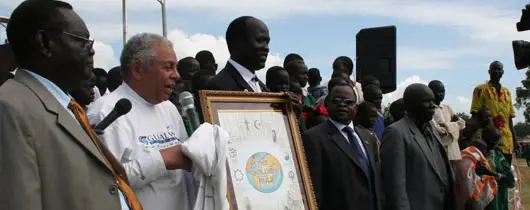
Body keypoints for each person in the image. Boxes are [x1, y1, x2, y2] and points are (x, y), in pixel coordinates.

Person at [0, 1, 141, 209]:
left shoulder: (67, 105)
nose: (91, 51)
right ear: (45, 43)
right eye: (83, 41)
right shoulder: (9, 107)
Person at [87, 33, 193, 210]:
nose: (177, 75)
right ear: (137, 69)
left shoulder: (169, 108)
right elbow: (102, 183)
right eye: (168, 67)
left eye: (176, 67)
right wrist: (160, 161)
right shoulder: (105, 112)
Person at [303, 84, 383, 210]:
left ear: (356, 108)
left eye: (348, 102)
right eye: (336, 100)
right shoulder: (313, 138)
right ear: (327, 104)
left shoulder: (367, 137)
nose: (342, 105)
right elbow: (314, 188)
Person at [382, 83, 455, 210]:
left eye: (433, 101)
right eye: (427, 101)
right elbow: (395, 186)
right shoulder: (396, 133)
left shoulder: (431, 129)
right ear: (411, 105)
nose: (432, 105)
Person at [470, 61, 517, 164]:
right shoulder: (480, 90)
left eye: (499, 69)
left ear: (502, 72)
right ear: (489, 71)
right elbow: (475, 115)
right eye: (493, 69)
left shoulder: (507, 92)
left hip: (506, 141)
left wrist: (515, 140)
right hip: (488, 140)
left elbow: (509, 118)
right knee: (490, 171)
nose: (496, 71)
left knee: (506, 172)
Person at [207, 16, 269, 92]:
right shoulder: (218, 87)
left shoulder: (263, 88)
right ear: (238, 42)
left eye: (267, 42)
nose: (266, 48)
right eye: (260, 40)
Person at [429, 80, 466, 162]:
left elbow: (462, 124)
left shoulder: (447, 108)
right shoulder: (429, 110)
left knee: (452, 173)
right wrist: (453, 126)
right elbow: (438, 130)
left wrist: (445, 125)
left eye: (443, 92)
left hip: (452, 151)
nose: (441, 94)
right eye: (438, 92)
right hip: (439, 150)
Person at [454, 139, 497, 210]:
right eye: (484, 150)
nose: (485, 153)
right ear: (479, 150)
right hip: (471, 202)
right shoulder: (472, 160)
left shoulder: (462, 157)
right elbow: (468, 187)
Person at [482, 126, 515, 210]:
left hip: (499, 202)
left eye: (495, 141)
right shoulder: (475, 156)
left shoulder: (498, 156)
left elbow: (511, 181)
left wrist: (493, 174)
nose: (492, 144)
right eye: (489, 141)